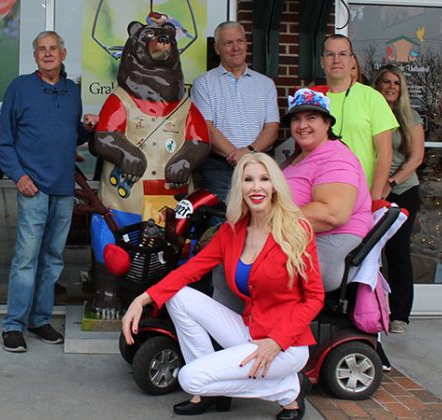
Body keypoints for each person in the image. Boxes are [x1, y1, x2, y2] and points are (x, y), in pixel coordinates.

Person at [121, 152, 323, 420]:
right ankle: (213, 391)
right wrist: (142, 299)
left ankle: (286, 390)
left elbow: (314, 297)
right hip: (251, 330)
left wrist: (278, 341)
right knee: (178, 297)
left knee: (189, 377)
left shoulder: (297, 230)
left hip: (286, 345)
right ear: (240, 187)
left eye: (264, 179)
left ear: (275, 185)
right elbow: (191, 270)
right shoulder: (232, 231)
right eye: (248, 179)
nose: (256, 187)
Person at [0, 31, 96, 353]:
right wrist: (18, 175)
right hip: (33, 188)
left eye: (54, 48)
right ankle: (13, 325)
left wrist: (87, 129)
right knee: (26, 259)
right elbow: (5, 141)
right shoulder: (20, 88)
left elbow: (71, 132)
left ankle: (40, 319)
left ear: (63, 54)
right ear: (35, 55)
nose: (48, 53)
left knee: (53, 259)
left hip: (63, 189)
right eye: (42, 49)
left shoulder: (72, 92)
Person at [281, 88, 374, 292]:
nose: (302, 125)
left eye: (311, 118)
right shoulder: (300, 157)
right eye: (296, 119)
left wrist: (270, 220)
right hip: (297, 240)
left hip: (325, 245)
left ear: (327, 123)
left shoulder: (335, 159)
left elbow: (332, 213)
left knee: (256, 271)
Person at [190, 21, 279, 201]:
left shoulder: (265, 84)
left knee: (260, 219)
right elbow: (206, 128)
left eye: (240, 41)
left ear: (246, 44)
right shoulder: (203, 84)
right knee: (221, 220)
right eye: (228, 43)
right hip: (220, 168)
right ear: (217, 48)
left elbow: (272, 128)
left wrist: (249, 153)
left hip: (260, 164)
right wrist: (237, 156)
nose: (235, 47)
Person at [373, 65, 425, 334]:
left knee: (397, 252)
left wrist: (390, 182)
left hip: (403, 190)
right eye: (385, 82)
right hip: (372, 190)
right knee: (368, 252)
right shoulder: (369, 112)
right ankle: (371, 309)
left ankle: (400, 315)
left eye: (396, 83)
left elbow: (416, 158)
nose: (391, 86)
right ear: (377, 85)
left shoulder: (410, 117)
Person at [320, 34, 398, 199]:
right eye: (330, 54)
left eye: (343, 54)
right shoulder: (313, 98)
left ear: (351, 60)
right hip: (320, 195)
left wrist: (375, 197)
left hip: (360, 197)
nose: (336, 60)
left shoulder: (372, 97)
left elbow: (385, 152)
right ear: (322, 61)